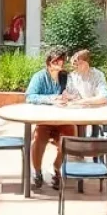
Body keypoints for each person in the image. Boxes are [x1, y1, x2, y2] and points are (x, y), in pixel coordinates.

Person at [24, 47, 75, 190]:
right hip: (44, 119)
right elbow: (30, 97)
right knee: (39, 138)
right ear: (48, 63)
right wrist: (52, 99)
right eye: (56, 62)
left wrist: (69, 96)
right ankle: (38, 171)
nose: (59, 65)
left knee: (71, 135)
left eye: (61, 62)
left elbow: (74, 92)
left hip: (62, 118)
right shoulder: (39, 77)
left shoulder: (65, 76)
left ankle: (57, 169)